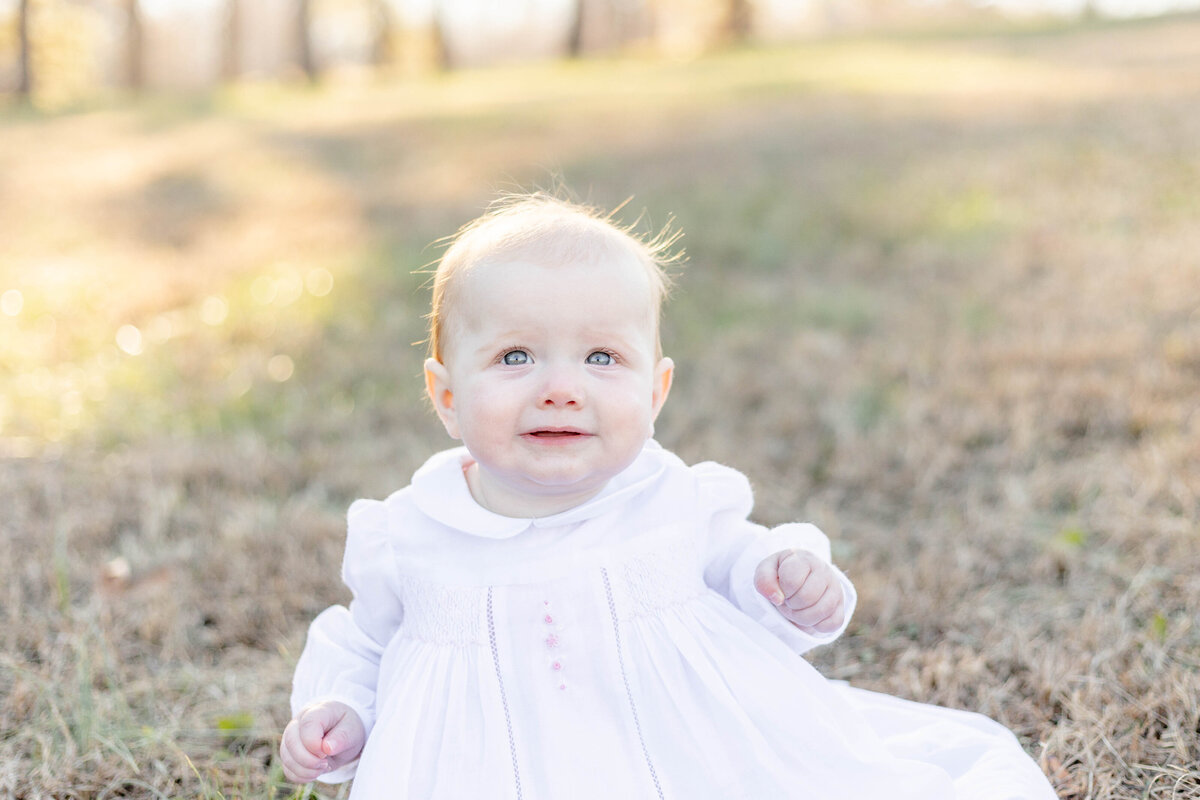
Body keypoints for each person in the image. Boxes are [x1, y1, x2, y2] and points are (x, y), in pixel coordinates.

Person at [279, 193, 1058, 798]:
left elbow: (741, 562)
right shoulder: (411, 533)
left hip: (687, 756)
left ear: (656, 391)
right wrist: (339, 714)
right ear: (444, 394)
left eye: (601, 357)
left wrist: (783, 574)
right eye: (516, 355)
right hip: (488, 770)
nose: (561, 389)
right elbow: (364, 645)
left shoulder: (671, 498)